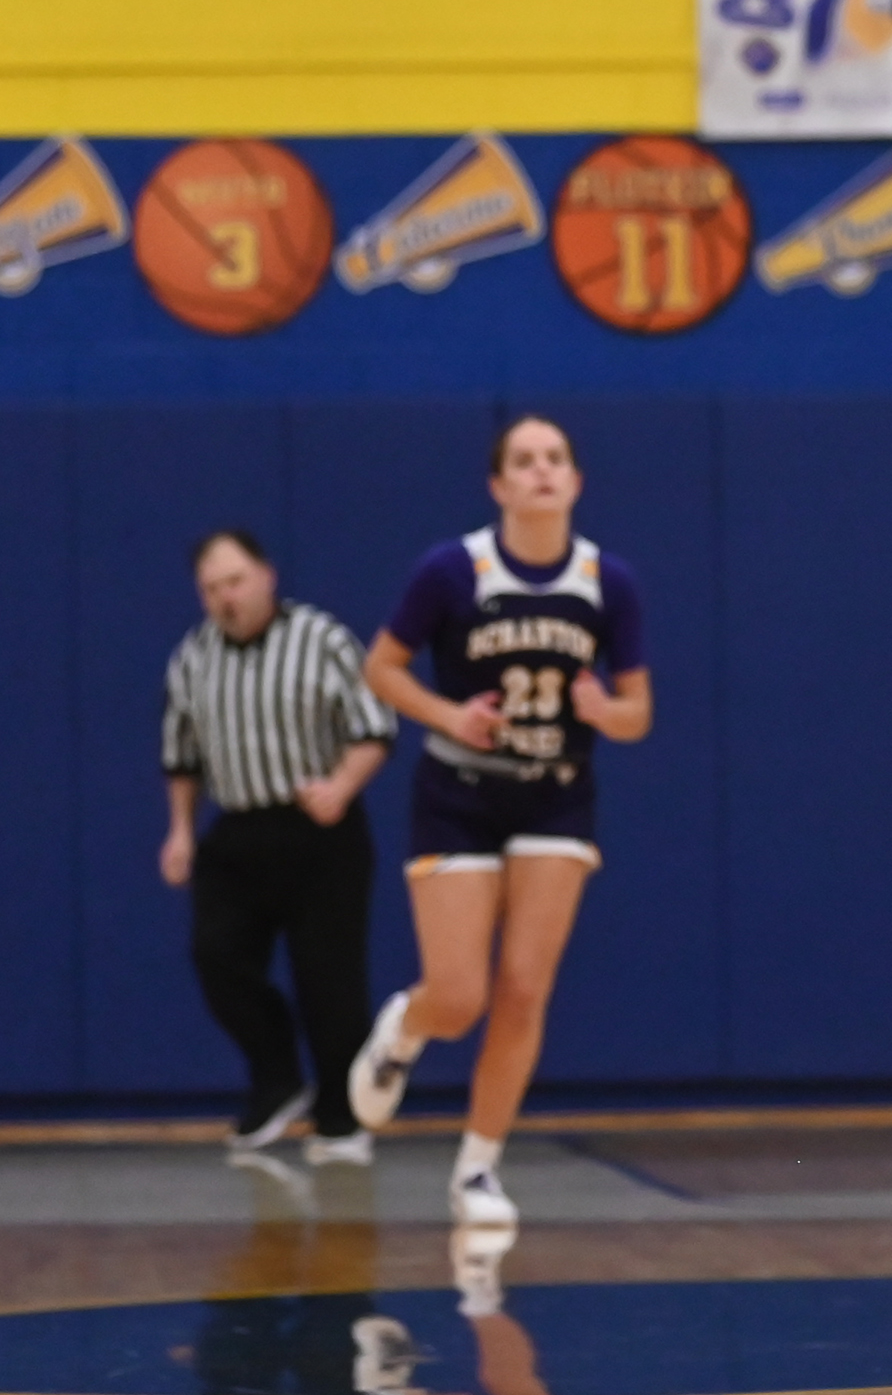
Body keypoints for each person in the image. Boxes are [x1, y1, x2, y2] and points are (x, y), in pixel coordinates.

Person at [348, 417, 654, 1234]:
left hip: (557, 795)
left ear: (576, 481)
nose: (541, 471)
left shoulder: (608, 582)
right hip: (460, 789)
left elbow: (638, 713)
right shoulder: (451, 570)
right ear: (499, 486)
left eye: (555, 459)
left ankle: (478, 1166)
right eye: (524, 461)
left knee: (523, 988)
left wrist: (605, 710)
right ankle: (403, 1029)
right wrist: (450, 715)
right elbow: (380, 667)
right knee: (459, 996)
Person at [160, 530, 398, 1163]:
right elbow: (181, 755)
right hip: (238, 829)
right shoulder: (192, 658)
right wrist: (181, 830)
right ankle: (277, 1076)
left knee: (330, 981)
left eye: (235, 582)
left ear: (266, 576)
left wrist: (341, 786)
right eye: (212, 589)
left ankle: (342, 1119)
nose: (226, 598)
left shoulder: (321, 639)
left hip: (319, 829)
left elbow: (374, 727)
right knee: (216, 956)